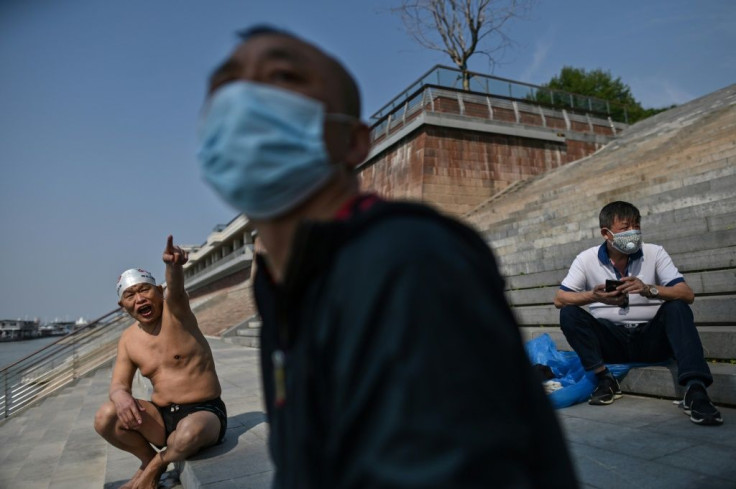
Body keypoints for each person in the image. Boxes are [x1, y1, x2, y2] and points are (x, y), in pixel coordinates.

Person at [197, 25, 578, 488]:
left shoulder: (404, 259)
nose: (244, 98)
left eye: (280, 76)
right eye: (227, 82)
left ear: (355, 142)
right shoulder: (278, 280)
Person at [554, 201, 722, 425]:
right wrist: (594, 297)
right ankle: (604, 378)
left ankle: (696, 389)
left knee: (677, 305)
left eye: (636, 226)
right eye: (625, 228)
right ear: (607, 233)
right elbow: (560, 298)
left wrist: (649, 289)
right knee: (569, 313)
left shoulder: (654, 252)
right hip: (611, 341)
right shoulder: (586, 259)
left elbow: (686, 294)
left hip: (651, 339)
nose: (633, 232)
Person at [94, 236, 227, 489]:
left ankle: (154, 467)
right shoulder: (128, 340)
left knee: (187, 434)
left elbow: (177, 289)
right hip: (162, 417)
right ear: (123, 305)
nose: (140, 299)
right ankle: (148, 459)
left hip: (205, 413)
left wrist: (173, 266)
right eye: (131, 295)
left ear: (159, 292)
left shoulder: (177, 314)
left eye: (145, 290)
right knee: (105, 417)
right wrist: (121, 397)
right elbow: (118, 385)